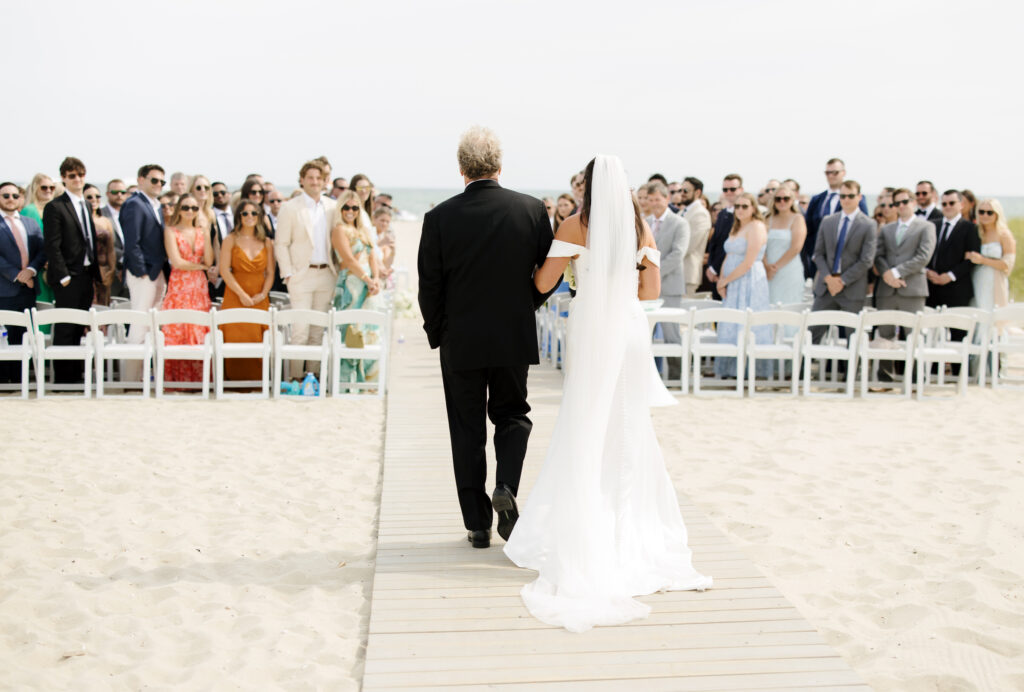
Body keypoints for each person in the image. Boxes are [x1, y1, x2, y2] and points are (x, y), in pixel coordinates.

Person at [504, 154, 711, 633]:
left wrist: (580, 277)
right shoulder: (640, 228)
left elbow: (544, 281)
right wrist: (616, 282)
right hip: (629, 329)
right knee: (628, 423)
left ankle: (588, 520)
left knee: (586, 421)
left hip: (593, 328)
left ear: (590, 187)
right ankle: (626, 523)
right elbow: (650, 291)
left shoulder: (577, 224)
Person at [417, 126, 557, 551]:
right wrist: (526, 304)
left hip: (460, 339)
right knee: (513, 415)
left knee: (466, 429)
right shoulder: (531, 209)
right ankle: (506, 485)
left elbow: (429, 286)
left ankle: (477, 525)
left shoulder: (439, 218)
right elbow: (549, 274)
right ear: (499, 166)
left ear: (462, 169)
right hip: (513, 334)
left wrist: (438, 333)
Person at [274, 160, 338, 376]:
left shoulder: (332, 207)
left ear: (325, 181)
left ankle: (313, 378)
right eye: (310, 177)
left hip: (326, 274)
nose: (314, 182)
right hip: (300, 276)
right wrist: (288, 273)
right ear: (302, 180)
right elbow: (281, 243)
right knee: (300, 330)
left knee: (317, 331)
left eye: (319, 178)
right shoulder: (290, 207)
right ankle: (295, 378)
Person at [43, 157, 100, 383]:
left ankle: (76, 376)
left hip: (86, 275)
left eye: (81, 175)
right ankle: (63, 380)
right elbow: (52, 245)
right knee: (65, 328)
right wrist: (63, 276)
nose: (78, 179)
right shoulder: (55, 207)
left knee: (79, 328)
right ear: (64, 178)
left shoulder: (85, 204)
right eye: (72, 176)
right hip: (68, 277)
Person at [874, 188, 937, 373]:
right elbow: (878, 255)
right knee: (885, 334)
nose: (901, 206)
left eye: (905, 201)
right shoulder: (886, 229)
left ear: (914, 202)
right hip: (886, 290)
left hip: (912, 289)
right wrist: (887, 275)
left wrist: (896, 273)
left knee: (913, 334)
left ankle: (915, 377)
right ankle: (885, 377)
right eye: (897, 203)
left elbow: (923, 257)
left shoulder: (926, 227)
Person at [120, 164, 169, 382]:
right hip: (143, 274)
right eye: (154, 180)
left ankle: (143, 376)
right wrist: (142, 272)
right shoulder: (134, 204)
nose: (158, 185)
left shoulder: (155, 205)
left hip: (157, 272)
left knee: (151, 325)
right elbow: (132, 243)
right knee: (139, 325)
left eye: (162, 182)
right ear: (141, 180)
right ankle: (130, 379)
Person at [714, 192, 771, 378]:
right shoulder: (736, 227)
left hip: (749, 281)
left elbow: (748, 262)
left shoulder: (756, 226)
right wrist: (721, 280)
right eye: (737, 206)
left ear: (753, 208)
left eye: (745, 206)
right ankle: (730, 370)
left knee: (748, 323)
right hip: (732, 282)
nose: (740, 210)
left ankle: (750, 371)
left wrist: (726, 280)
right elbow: (729, 255)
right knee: (731, 322)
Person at [331, 190, 384, 386]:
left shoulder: (363, 231)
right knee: (351, 331)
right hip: (352, 286)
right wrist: (367, 279)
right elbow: (349, 260)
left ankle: (367, 382)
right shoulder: (339, 230)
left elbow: (372, 258)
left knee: (370, 330)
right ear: (340, 209)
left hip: (369, 287)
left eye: (355, 208)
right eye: (346, 207)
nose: (350, 211)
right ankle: (347, 382)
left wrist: (376, 279)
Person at [810, 180, 878, 331]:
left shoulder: (869, 224)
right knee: (813, 332)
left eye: (850, 196)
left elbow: (866, 260)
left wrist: (842, 281)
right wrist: (829, 279)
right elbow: (818, 254)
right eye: (842, 196)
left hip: (852, 289)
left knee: (852, 335)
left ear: (859, 197)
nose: (846, 200)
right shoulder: (827, 221)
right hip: (825, 287)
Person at [159, 195, 213, 384]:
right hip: (180, 285)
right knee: (179, 329)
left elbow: (209, 260)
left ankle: (199, 381)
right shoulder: (170, 231)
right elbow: (177, 262)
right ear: (178, 210)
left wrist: (207, 233)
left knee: (198, 329)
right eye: (185, 207)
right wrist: (200, 267)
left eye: (194, 208)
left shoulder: (202, 231)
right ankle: (177, 380)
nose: (190, 211)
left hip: (199, 287)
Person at [219, 199, 274, 382]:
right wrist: (241, 294)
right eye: (245, 213)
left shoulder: (267, 242)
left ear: (259, 216)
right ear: (239, 216)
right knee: (234, 339)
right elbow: (224, 270)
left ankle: (258, 383)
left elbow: (270, 272)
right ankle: (233, 383)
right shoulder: (230, 240)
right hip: (235, 295)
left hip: (259, 297)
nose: (250, 216)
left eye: (254, 213)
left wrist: (263, 294)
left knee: (258, 340)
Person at [0, 182, 45, 385]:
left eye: (15, 196)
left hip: (28, 289)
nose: (11, 199)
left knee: (25, 335)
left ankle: (21, 379)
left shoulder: (30, 223)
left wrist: (31, 271)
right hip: (4, 289)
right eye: (6, 195)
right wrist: (17, 275)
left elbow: (42, 251)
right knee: (4, 336)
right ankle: (4, 380)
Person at [645, 181, 689, 382]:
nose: (654, 203)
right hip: (646, 289)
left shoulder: (680, 223)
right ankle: (648, 378)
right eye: (650, 199)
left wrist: (654, 273)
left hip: (670, 286)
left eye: (658, 199)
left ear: (667, 198)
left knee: (672, 333)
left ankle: (677, 378)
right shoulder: (644, 222)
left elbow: (678, 254)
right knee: (645, 333)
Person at [803, 158, 868, 279]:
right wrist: (816, 257)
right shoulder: (817, 200)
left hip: (848, 267)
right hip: (819, 265)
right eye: (828, 173)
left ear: (843, 173)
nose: (831, 176)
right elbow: (809, 231)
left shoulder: (856, 198)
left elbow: (863, 229)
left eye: (835, 172)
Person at [926, 190, 979, 313]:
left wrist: (950, 276)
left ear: (961, 205)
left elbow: (971, 259)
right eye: (944, 204)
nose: (947, 206)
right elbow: (925, 252)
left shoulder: (971, 228)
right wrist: (927, 271)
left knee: (956, 325)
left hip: (957, 289)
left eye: (951, 203)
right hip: (931, 288)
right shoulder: (932, 225)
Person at [763, 187, 807, 306]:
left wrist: (775, 268)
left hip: (789, 270)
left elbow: (796, 248)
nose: (782, 201)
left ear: (792, 200)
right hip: (767, 271)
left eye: (786, 198)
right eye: (778, 199)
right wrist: (767, 267)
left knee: (789, 306)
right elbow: (761, 246)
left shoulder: (798, 219)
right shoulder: (767, 219)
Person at [705, 173, 743, 299]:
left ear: (741, 190)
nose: (728, 192)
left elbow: (730, 246)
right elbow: (714, 243)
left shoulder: (742, 217)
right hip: (715, 274)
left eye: (732, 189)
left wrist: (714, 269)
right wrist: (710, 267)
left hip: (733, 273)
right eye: (725, 189)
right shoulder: (722, 214)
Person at [21, 173, 57, 304]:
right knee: (43, 307)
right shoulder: (29, 210)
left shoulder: (55, 208)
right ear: (35, 188)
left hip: (56, 267)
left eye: (51, 187)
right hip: (38, 268)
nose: (48, 190)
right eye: (44, 187)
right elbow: (28, 243)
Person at [83, 184, 116, 305]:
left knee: (103, 306)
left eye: (97, 196)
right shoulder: (80, 220)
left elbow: (111, 249)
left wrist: (111, 270)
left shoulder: (105, 221)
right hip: (86, 272)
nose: (94, 199)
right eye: (89, 197)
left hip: (104, 271)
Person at [679, 176, 712, 296]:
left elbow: (688, 246)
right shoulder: (682, 212)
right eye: (681, 190)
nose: (682, 193)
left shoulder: (701, 214)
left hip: (688, 273)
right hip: (676, 273)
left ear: (697, 192)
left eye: (686, 191)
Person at [101, 179, 128, 298]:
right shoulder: (100, 214)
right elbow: (102, 245)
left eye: (122, 192)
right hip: (110, 272)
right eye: (115, 192)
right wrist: (123, 260)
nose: (119, 195)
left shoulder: (131, 214)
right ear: (107, 194)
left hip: (130, 273)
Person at [373, 205, 396, 278]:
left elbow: (387, 265)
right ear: (374, 219)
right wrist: (380, 243)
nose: (384, 224)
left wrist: (393, 252)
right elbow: (367, 250)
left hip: (379, 276)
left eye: (387, 222)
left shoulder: (386, 237)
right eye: (382, 220)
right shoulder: (369, 233)